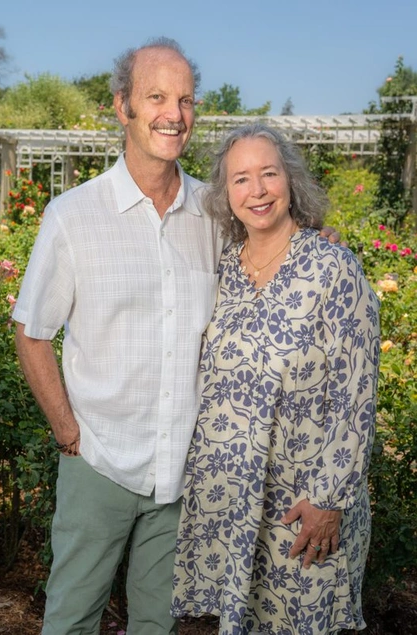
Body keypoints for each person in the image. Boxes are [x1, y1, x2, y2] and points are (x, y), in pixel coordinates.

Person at [13, 39, 340, 635]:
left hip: (183, 471)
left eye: (185, 99)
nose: (173, 113)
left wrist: (321, 241)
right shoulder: (73, 216)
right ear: (123, 107)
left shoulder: (214, 214)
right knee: (69, 620)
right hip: (100, 461)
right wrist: (67, 430)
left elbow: (270, 239)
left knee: (158, 626)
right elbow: (31, 331)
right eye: (156, 96)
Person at [170, 124, 380, 635]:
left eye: (269, 173)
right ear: (226, 194)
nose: (257, 190)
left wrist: (329, 501)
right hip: (231, 504)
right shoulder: (226, 270)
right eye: (241, 179)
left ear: (291, 180)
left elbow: (357, 396)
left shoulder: (332, 267)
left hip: (302, 506)